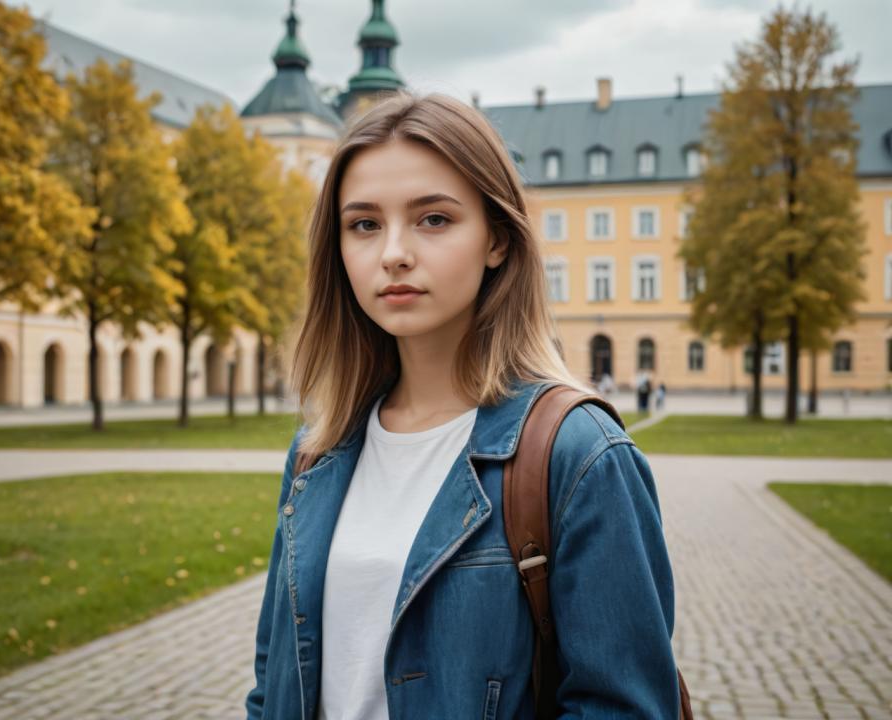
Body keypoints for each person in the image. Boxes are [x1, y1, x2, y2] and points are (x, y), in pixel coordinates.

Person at [244, 92, 679, 719]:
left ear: (497, 239)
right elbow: (273, 682)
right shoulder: (318, 450)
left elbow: (625, 708)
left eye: (434, 219)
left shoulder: (579, 456)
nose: (393, 251)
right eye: (364, 224)